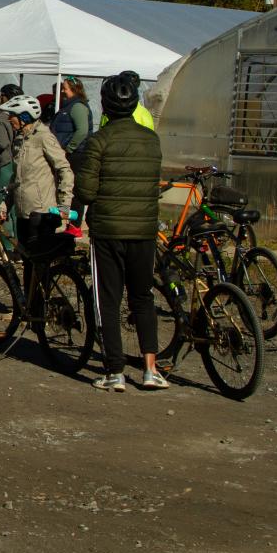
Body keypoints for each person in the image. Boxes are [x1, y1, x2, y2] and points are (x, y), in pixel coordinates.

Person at [73, 74, 167, 392]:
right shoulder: (151, 140)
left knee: (108, 301)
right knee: (143, 297)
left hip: (109, 231)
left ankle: (115, 371)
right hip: (144, 230)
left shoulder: (99, 141)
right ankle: (151, 369)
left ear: (105, 106)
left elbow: (85, 192)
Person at [0, 95, 74, 250]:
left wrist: (64, 204)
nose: (9, 119)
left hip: (41, 214)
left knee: (38, 264)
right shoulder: (20, 139)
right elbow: (17, 177)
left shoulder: (44, 137)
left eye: (12, 116)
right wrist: (6, 204)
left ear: (24, 117)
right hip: (22, 212)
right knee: (27, 263)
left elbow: (65, 170)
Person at [0, 83, 24, 205]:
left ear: (7, 97)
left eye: (1, 95)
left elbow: (3, 143)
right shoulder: (21, 116)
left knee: (2, 199)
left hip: (6, 161)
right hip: (19, 160)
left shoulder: (0, 118)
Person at [51, 76, 93, 166]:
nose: (62, 91)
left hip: (75, 155)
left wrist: (69, 149)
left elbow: (82, 131)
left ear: (74, 90)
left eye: (65, 89)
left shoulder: (78, 106)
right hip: (68, 153)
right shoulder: (68, 106)